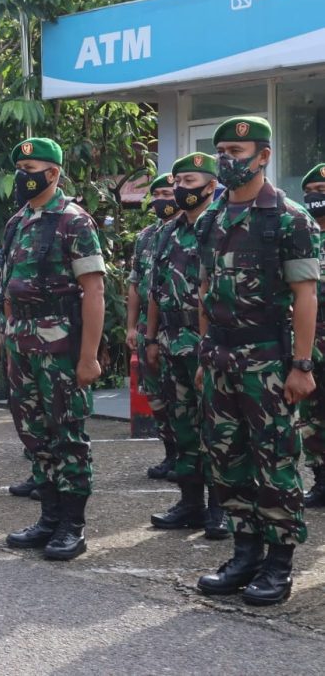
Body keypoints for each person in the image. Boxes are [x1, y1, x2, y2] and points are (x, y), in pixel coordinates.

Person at [194, 116, 318, 606]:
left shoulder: (287, 218)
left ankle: (279, 563)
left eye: (238, 151)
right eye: (222, 149)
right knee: (226, 459)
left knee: (275, 461)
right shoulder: (211, 218)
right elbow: (204, 291)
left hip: (267, 359)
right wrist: (205, 353)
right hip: (220, 356)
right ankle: (244, 552)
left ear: (263, 156)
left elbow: (306, 295)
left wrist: (302, 366)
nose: (228, 158)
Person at [0, 137, 105, 562]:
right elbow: (8, 285)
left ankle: (72, 526)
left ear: (54, 173)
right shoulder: (17, 222)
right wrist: (6, 338)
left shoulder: (74, 221)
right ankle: (48, 518)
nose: (24, 176)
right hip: (21, 343)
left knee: (68, 434)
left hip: (62, 344)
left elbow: (94, 290)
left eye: (32, 168)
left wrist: (89, 356)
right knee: (34, 433)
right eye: (20, 168)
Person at [144, 154, 228, 539]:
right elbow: (155, 291)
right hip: (172, 341)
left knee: (218, 429)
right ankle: (190, 503)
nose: (179, 188)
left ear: (210, 185)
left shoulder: (223, 225)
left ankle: (220, 509)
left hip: (209, 343)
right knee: (183, 429)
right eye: (177, 181)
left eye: (189, 180)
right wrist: (149, 337)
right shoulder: (167, 232)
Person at [130, 174, 180, 481]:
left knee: (183, 397)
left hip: (180, 330)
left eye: (168, 192)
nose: (163, 198)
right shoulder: (146, 237)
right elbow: (136, 286)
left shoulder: (195, 230)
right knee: (157, 396)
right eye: (158, 193)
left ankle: (190, 460)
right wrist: (130, 327)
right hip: (148, 329)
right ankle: (171, 453)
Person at [299, 163, 325, 508]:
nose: (320, 197)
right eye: (316, 191)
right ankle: (321, 481)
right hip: (311, 340)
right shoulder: (300, 234)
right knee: (312, 416)